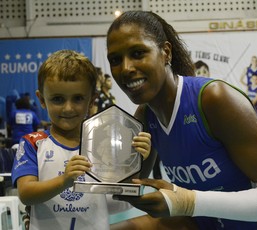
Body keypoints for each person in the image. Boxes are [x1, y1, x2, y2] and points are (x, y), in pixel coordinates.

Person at [106, 11, 257, 230]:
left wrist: (187, 202)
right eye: (115, 60)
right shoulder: (144, 117)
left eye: (138, 53)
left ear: (165, 52)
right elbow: (123, 194)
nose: (126, 68)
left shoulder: (214, 99)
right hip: (208, 222)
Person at [11, 50, 152, 230]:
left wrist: (137, 160)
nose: (68, 108)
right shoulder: (32, 143)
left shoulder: (107, 145)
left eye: (78, 98)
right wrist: (64, 182)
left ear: (92, 100)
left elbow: (121, 199)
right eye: (57, 99)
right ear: (42, 99)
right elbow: (26, 194)